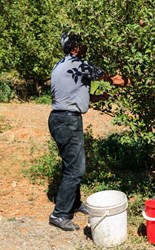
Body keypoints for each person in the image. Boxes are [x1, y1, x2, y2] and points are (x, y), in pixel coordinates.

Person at [48, 31, 125, 231]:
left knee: (69, 164)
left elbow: (73, 94)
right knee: (76, 169)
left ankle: (73, 203)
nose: (84, 46)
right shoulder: (80, 65)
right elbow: (113, 79)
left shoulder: (59, 66)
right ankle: (59, 214)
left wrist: (100, 98)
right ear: (74, 48)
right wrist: (138, 82)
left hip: (58, 119)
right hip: (68, 121)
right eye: (80, 44)